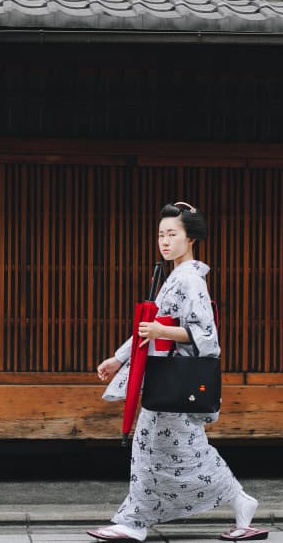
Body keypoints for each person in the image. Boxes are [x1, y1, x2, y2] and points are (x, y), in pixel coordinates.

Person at [87, 202, 269, 542]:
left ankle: (134, 522)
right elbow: (151, 327)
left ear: (190, 239)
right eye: (161, 234)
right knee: (185, 452)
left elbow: (206, 338)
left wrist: (161, 333)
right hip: (169, 383)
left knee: (154, 450)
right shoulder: (176, 277)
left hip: (173, 383)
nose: (165, 241)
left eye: (173, 234)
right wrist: (119, 359)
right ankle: (241, 502)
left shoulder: (189, 281)